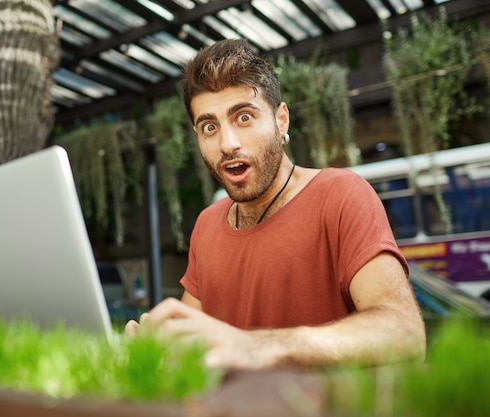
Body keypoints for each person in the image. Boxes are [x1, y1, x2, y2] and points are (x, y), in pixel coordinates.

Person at [126, 39, 426, 370]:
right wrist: (159, 347)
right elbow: (197, 342)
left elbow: (404, 332)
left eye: (243, 117)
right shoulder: (207, 224)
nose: (228, 144)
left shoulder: (341, 194)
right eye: (209, 126)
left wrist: (257, 347)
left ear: (281, 121)